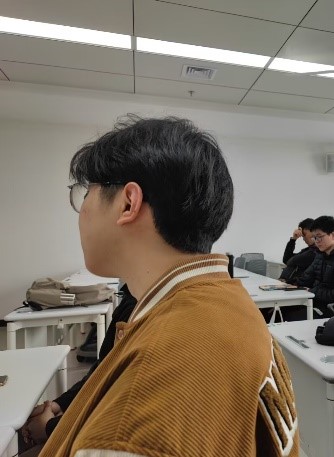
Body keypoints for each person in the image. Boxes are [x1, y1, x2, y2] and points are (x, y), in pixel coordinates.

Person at [39, 116, 298, 456]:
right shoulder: (230, 303)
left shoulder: (140, 412)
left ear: (128, 203)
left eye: (86, 194)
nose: (81, 210)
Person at [21, 285, 137, 451]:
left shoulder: (142, 310)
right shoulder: (133, 299)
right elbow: (103, 370)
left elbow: (119, 412)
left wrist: (50, 427)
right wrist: (59, 404)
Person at [295, 216, 334, 319]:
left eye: (319, 237)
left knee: (285, 316)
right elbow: (306, 278)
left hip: (332, 311)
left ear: (333, 235)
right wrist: (288, 285)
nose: (317, 241)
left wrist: (312, 291)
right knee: (278, 310)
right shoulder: (321, 255)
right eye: (314, 238)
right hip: (314, 303)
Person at [279, 218, 317, 284]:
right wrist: (293, 239)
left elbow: (289, 261)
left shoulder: (315, 252)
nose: (303, 239)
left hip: (298, 286)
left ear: (312, 231)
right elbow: (286, 259)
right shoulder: (307, 250)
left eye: (304, 235)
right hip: (289, 285)